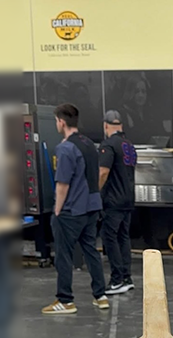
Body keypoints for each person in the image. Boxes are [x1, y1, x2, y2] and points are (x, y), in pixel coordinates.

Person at [42, 103, 109, 314]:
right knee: (91, 251)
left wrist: (57, 211)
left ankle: (65, 300)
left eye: (56, 121)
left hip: (72, 210)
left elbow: (63, 184)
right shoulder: (89, 144)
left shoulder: (65, 148)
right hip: (92, 207)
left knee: (63, 255)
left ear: (61, 122)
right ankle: (101, 296)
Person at [98, 110, 137, 295]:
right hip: (128, 198)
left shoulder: (108, 145)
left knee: (109, 237)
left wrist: (95, 192)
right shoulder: (129, 145)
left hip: (113, 200)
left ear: (106, 126)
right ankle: (127, 277)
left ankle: (117, 279)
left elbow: (103, 172)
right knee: (123, 237)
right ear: (121, 125)